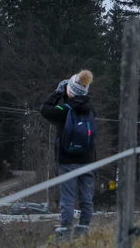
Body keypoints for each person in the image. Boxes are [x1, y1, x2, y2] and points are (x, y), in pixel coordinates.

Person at [40, 70, 96, 240]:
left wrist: (58, 92)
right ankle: (84, 226)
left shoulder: (64, 110)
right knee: (86, 196)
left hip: (67, 159)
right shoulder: (91, 110)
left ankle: (65, 229)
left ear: (69, 91)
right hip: (87, 160)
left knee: (68, 197)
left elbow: (44, 109)